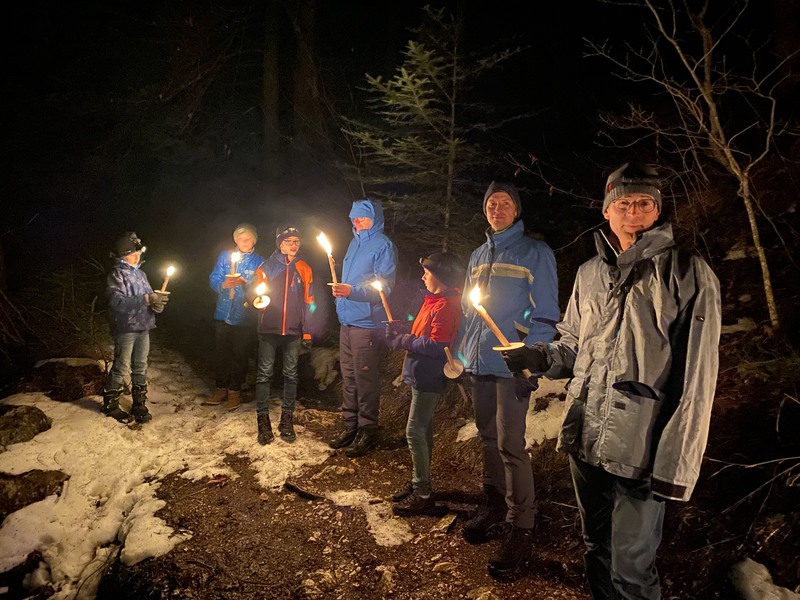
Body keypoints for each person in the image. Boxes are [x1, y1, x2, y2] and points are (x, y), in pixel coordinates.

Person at [503, 162, 721, 599]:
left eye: (644, 203)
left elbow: (698, 379)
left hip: (640, 447)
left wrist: (674, 463)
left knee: (632, 573)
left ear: (657, 211)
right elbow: (572, 345)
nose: (633, 212)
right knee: (595, 549)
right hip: (586, 435)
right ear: (607, 210)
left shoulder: (687, 273)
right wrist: (539, 356)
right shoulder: (590, 273)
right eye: (623, 203)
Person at [456, 180, 560, 578]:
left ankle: (521, 526)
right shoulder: (478, 255)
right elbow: (471, 313)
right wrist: (465, 357)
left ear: (516, 209)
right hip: (480, 363)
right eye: (491, 203)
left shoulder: (536, 252)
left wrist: (530, 357)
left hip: (512, 364)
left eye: (504, 203)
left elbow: (546, 313)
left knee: (511, 443)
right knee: (486, 436)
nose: (497, 209)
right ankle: (494, 503)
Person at [385, 252, 465, 516]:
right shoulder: (434, 300)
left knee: (414, 431)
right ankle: (421, 480)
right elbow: (423, 332)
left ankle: (422, 492)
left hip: (429, 375)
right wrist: (402, 330)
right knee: (424, 429)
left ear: (439, 277)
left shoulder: (446, 305)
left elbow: (438, 345)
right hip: (420, 372)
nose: (422, 276)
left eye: (427, 273)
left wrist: (405, 340)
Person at [328, 198, 398, 458]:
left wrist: (353, 292)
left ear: (375, 219)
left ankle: (368, 429)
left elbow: (385, 287)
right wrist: (341, 294)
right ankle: (351, 425)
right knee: (348, 376)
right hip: (347, 320)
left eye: (362, 218)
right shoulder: (354, 242)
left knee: (365, 378)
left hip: (367, 323)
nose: (356, 222)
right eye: (354, 218)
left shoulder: (383, 246)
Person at [251, 225, 315, 445]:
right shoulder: (266, 267)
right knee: (264, 374)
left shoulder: (304, 268)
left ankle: (286, 420)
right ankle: (263, 420)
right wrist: (257, 302)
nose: (293, 245)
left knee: (291, 374)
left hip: (293, 332)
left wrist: (307, 331)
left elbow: (310, 302)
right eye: (289, 241)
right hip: (268, 329)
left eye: (297, 241)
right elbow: (254, 295)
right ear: (279, 244)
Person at [103, 232, 170, 424]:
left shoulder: (141, 274)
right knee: (122, 365)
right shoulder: (117, 275)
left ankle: (139, 404)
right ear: (122, 255)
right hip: (126, 327)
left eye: (138, 252)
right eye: (132, 253)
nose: (137, 256)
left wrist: (157, 303)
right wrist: (146, 299)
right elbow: (117, 302)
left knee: (140, 366)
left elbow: (150, 296)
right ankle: (111, 405)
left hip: (144, 326)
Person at [205, 223, 264, 410]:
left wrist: (245, 284)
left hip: (245, 316)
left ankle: (235, 390)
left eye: (247, 239)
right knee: (222, 353)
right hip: (223, 313)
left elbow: (260, 288)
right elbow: (214, 277)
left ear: (254, 240)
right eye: (239, 239)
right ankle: (221, 388)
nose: (243, 242)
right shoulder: (225, 256)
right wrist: (223, 284)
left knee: (240, 355)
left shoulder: (260, 262)